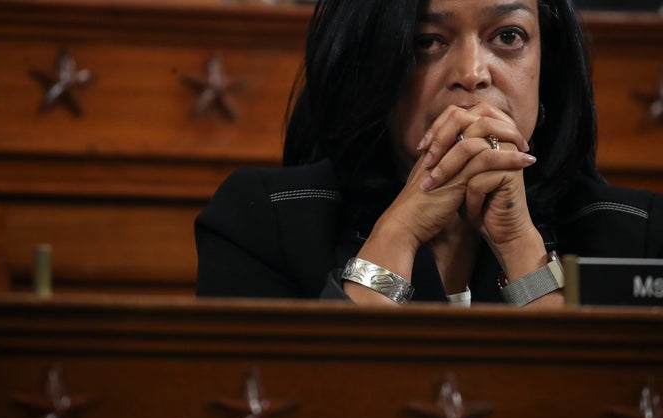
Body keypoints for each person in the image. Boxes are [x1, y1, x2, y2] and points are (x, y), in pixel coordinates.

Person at [195, 0, 663, 306]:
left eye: (508, 37)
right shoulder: (263, 222)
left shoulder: (636, 234)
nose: (473, 73)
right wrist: (399, 233)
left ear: (548, 76)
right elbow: (298, 417)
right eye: (427, 42)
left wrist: (522, 247)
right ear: (372, 69)